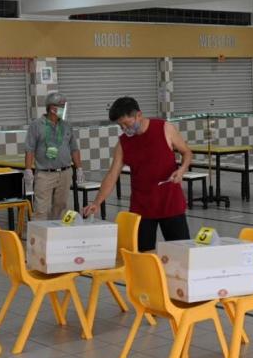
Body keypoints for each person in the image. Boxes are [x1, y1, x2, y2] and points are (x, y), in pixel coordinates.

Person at [82, 97, 193, 251]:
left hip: (170, 203)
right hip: (142, 207)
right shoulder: (123, 143)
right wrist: (97, 202)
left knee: (181, 253)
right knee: (142, 255)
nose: (124, 128)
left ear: (138, 115)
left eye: (127, 123)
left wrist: (181, 170)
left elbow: (187, 152)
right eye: (120, 125)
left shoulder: (165, 128)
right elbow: (112, 175)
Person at [24, 91, 83, 220]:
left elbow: (74, 149)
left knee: (61, 207)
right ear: (52, 108)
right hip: (45, 173)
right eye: (62, 106)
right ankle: (40, 238)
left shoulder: (67, 125)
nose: (64, 109)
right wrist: (28, 170)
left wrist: (79, 169)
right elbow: (29, 149)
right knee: (41, 209)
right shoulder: (37, 125)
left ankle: (56, 236)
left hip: (65, 172)